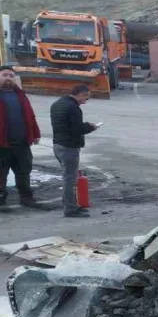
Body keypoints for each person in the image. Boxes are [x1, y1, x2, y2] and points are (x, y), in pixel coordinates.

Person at [50, 84, 101, 218]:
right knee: (69, 179)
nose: (85, 101)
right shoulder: (73, 108)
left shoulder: (57, 104)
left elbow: (65, 125)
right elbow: (77, 129)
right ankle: (70, 209)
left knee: (68, 177)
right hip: (69, 147)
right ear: (79, 94)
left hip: (58, 144)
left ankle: (70, 204)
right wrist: (91, 127)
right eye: (86, 97)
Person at [0, 65, 42, 210]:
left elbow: (30, 116)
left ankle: (26, 198)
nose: (8, 78)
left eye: (11, 76)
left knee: (24, 172)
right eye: (5, 75)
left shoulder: (20, 95)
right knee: (1, 175)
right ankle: (1, 200)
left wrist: (35, 133)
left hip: (22, 144)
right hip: (1, 145)